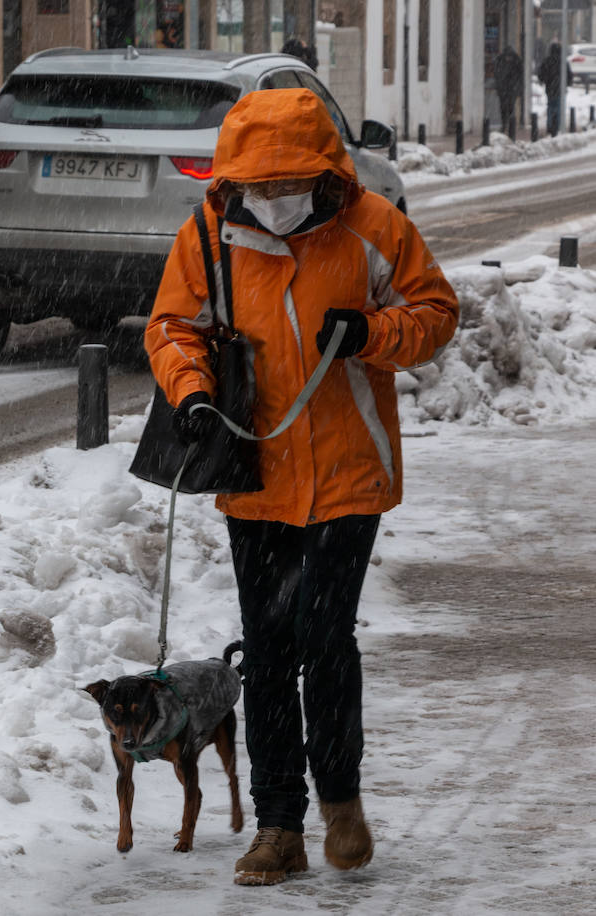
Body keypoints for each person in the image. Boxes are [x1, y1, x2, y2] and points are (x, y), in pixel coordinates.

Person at [144, 89, 458, 886]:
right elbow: (172, 325)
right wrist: (191, 392)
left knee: (325, 638)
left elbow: (436, 311)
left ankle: (341, 800)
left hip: (350, 475)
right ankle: (279, 825)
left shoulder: (374, 231)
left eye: (291, 185)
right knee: (269, 647)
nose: (275, 200)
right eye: (262, 184)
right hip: (255, 475)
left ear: (324, 174)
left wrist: (371, 333)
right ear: (236, 179)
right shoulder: (211, 234)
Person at [537, 41, 571, 137]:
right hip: (560, 88)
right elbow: (569, 75)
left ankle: (550, 125)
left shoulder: (547, 61)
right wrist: (567, 83)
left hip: (550, 88)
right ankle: (557, 125)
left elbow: (541, 74)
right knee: (559, 107)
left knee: (551, 106)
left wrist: (545, 80)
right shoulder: (563, 62)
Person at [494, 45, 524, 138]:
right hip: (505, 89)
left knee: (510, 107)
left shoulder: (516, 61)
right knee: (504, 108)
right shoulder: (500, 60)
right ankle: (505, 125)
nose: (508, 59)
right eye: (507, 57)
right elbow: (497, 74)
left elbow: (520, 76)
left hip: (511, 89)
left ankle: (509, 127)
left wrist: (518, 88)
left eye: (509, 57)